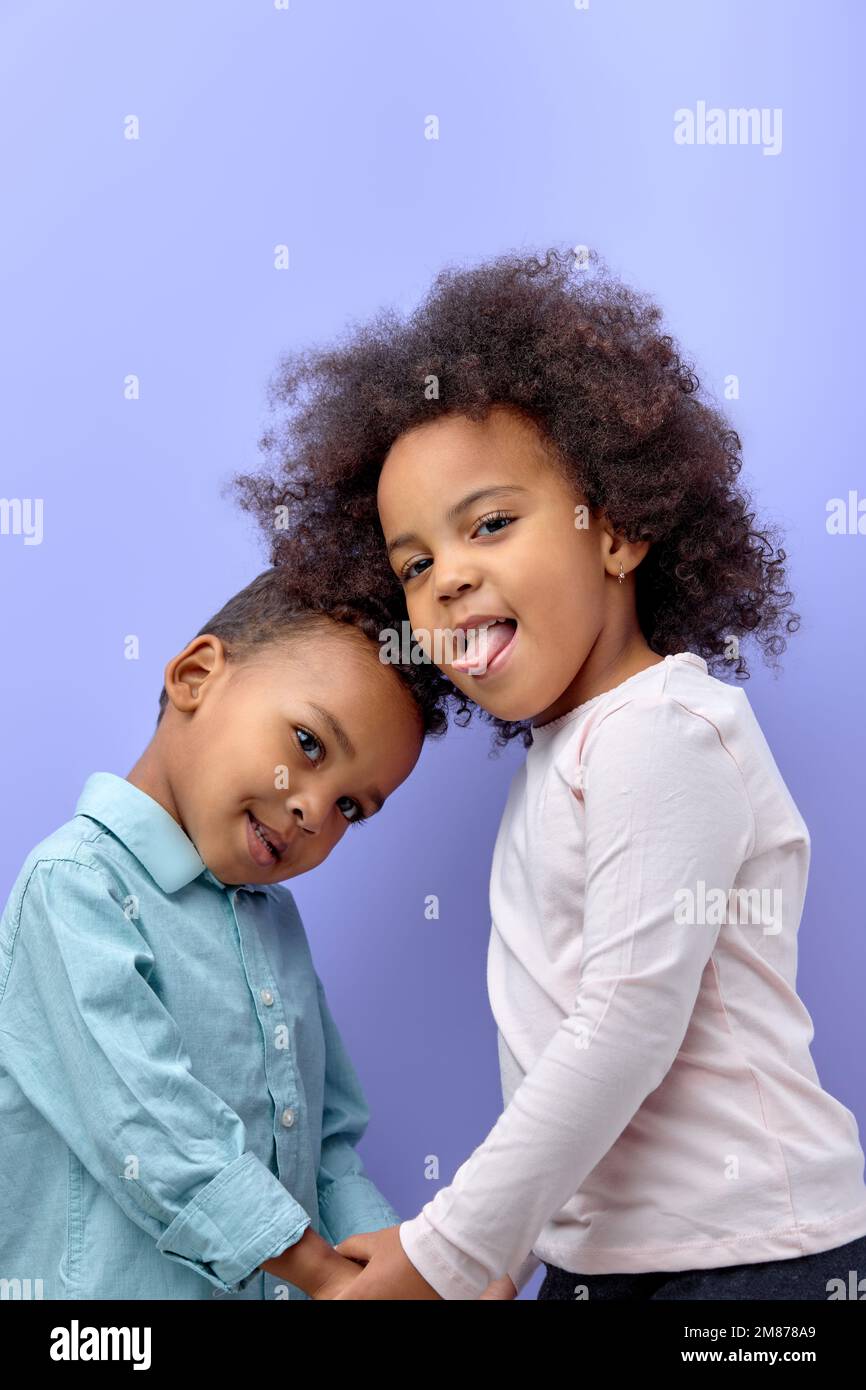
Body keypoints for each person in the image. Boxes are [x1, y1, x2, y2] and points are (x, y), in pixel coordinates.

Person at [232, 247, 866, 1300]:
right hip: (603, 1264)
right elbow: (565, 1061)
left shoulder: (663, 733)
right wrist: (510, 1250)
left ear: (615, 529)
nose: (448, 578)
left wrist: (451, 1249)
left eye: (488, 524)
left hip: (751, 1263)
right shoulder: (567, 756)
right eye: (414, 564)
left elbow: (623, 1027)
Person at [0, 567, 450, 1300]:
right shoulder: (75, 887)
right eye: (307, 743)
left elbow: (324, 1146)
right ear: (196, 676)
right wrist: (321, 1274)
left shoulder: (274, 922)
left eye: (351, 807)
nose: (313, 811)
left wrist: (413, 1270)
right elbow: (151, 1128)